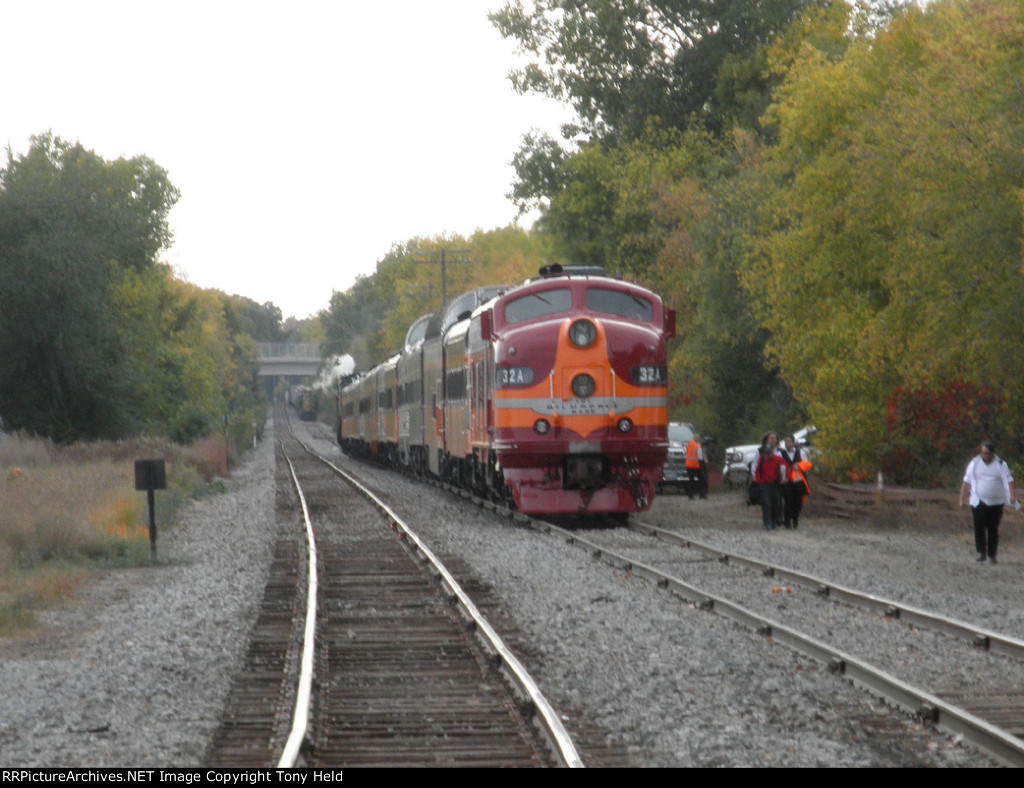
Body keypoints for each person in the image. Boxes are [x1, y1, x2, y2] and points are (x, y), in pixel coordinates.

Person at [959, 440, 1015, 564]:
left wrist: (1012, 495)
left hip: (996, 502)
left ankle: (991, 555)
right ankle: (980, 552)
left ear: (992, 454)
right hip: (978, 500)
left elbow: (1009, 480)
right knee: (979, 526)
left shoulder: (1000, 464)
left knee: (992, 528)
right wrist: (962, 499)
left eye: (988, 454)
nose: (986, 456)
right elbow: (966, 482)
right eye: (983, 453)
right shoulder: (974, 464)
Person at [752, 433, 786, 530]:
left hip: (775, 483)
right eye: (771, 438)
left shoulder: (779, 456)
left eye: (774, 438)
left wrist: (784, 479)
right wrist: (757, 481)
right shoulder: (760, 455)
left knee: (776, 503)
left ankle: (775, 521)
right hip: (764, 483)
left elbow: (784, 468)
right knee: (766, 503)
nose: (773, 440)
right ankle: (768, 522)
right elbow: (755, 468)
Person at [780, 434, 810, 529]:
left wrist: (799, 465)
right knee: (788, 500)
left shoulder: (800, 452)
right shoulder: (781, 454)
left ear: (793, 442)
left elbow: (806, 464)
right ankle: (787, 521)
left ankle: (795, 518)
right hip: (786, 480)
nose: (786, 443)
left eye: (788, 441)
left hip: (798, 479)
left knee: (798, 501)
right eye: (785, 442)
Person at [685, 433, 708, 500]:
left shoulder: (688, 445)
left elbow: (685, 453)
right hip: (696, 466)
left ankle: (690, 495)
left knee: (690, 480)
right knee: (702, 480)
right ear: (697, 439)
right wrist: (703, 464)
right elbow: (700, 457)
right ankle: (702, 495)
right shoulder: (697, 446)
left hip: (688, 465)